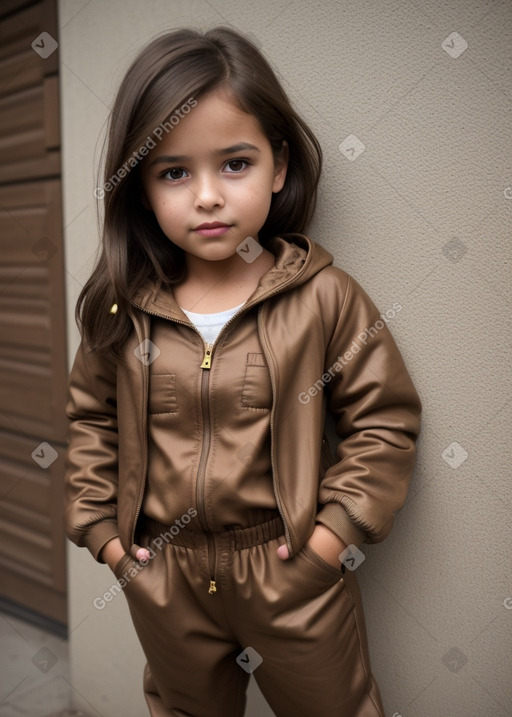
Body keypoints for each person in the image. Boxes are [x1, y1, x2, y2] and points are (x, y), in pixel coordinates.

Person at [64, 26, 422, 717]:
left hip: (289, 570)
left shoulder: (325, 297)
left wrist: (328, 542)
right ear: (140, 187)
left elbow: (384, 421)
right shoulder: (123, 309)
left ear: (279, 166)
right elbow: (89, 422)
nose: (207, 196)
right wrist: (110, 543)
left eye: (234, 163)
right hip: (163, 574)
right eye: (174, 172)